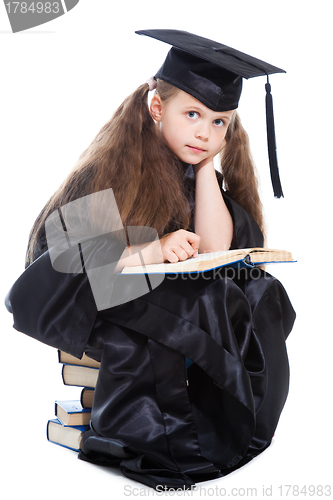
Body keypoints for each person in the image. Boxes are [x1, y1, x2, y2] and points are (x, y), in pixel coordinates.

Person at [5, 30, 296, 489]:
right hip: (100, 303)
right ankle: (177, 441)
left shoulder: (194, 165)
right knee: (197, 303)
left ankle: (246, 426)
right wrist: (153, 250)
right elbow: (69, 265)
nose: (205, 132)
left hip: (164, 299)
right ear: (157, 108)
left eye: (220, 122)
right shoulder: (111, 169)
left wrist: (204, 170)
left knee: (260, 292)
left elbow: (218, 251)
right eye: (193, 114)